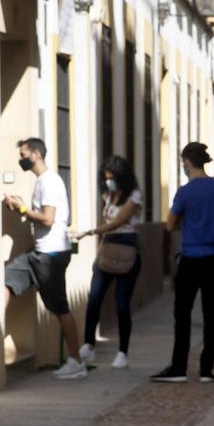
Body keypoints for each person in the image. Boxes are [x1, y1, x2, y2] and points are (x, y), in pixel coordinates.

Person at [2, 137, 87, 380]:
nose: (21, 159)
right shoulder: (44, 181)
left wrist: (20, 209)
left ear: (36, 154)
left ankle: (76, 361)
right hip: (40, 253)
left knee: (59, 307)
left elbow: (48, 219)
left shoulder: (48, 182)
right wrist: (22, 209)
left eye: (23, 154)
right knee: (6, 279)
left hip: (50, 255)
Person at [150, 142, 214, 383]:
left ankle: (179, 367)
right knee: (211, 313)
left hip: (191, 258)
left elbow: (170, 224)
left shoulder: (185, 192)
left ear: (186, 162)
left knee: (182, 313)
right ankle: (207, 369)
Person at [74, 155, 143, 370]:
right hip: (108, 247)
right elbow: (109, 224)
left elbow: (118, 222)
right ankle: (88, 345)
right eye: (106, 178)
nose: (109, 181)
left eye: (112, 178)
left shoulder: (135, 196)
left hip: (126, 246)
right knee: (94, 297)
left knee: (122, 303)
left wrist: (90, 232)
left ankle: (123, 352)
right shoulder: (107, 194)